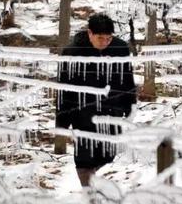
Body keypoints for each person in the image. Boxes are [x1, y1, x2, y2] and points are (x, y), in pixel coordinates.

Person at [56, 13, 137, 187]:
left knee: (109, 154)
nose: (105, 42)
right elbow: (64, 89)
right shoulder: (73, 52)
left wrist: (130, 105)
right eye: (100, 38)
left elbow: (127, 79)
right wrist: (62, 121)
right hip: (83, 112)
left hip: (111, 110)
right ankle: (90, 194)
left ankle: (96, 185)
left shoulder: (120, 48)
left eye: (109, 38)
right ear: (90, 33)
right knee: (85, 156)